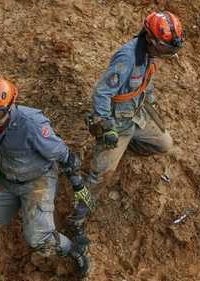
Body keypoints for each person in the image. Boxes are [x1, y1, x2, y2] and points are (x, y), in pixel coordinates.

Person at [0, 75, 94, 281]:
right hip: (7, 180)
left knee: (38, 238)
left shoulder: (31, 123)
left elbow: (61, 153)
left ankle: (75, 249)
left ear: (10, 105)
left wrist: (77, 184)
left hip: (37, 181)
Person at [69, 11, 185, 250]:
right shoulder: (128, 57)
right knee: (100, 176)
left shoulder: (150, 54)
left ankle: (129, 145)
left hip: (136, 116)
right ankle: (77, 218)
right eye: (165, 48)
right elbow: (102, 92)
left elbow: (145, 84)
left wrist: (149, 101)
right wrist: (104, 125)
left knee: (164, 144)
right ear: (152, 40)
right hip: (116, 124)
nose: (168, 54)